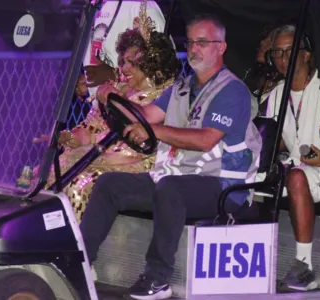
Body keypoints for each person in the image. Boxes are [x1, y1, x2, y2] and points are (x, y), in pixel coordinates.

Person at [80, 14, 261, 299]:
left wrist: (151, 129)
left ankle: (158, 277)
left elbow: (205, 140)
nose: (194, 48)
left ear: (221, 47)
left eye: (202, 42)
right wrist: (110, 97)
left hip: (224, 184)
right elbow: (144, 116)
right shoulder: (182, 87)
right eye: (190, 42)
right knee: (108, 184)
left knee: (171, 190)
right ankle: (80, 265)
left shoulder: (232, 91)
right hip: (176, 176)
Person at [44, 6, 179, 222]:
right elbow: (90, 129)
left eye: (132, 64)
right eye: (123, 61)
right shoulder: (116, 87)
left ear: (150, 64)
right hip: (97, 156)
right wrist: (65, 138)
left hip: (135, 164)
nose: (124, 69)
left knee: (78, 185)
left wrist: (114, 98)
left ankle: (78, 249)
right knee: (49, 173)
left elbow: (145, 138)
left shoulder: (162, 95)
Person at [264, 24, 320, 291]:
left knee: (296, 177)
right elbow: (276, 140)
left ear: (306, 54)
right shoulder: (277, 94)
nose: (282, 59)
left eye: (290, 51)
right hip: (299, 169)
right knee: (256, 179)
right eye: (277, 53)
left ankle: (304, 267)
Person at [80, 0, 166, 97]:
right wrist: (86, 79)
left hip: (135, 108)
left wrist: (114, 76)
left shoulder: (142, 7)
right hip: (104, 107)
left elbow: (163, 74)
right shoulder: (90, 8)